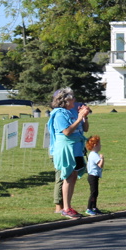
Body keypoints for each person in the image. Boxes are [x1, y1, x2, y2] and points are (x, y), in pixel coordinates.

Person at [48, 88, 90, 218]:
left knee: (74, 176)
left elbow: (85, 129)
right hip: (66, 148)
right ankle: (65, 208)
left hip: (76, 148)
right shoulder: (59, 114)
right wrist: (79, 118)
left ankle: (69, 206)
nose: (75, 100)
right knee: (67, 176)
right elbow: (66, 132)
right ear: (65, 101)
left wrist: (84, 117)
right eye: (72, 98)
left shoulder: (72, 111)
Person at [84, 135, 105, 216]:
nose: (100, 146)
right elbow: (100, 165)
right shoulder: (94, 155)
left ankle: (94, 207)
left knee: (95, 192)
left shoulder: (92, 154)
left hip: (93, 176)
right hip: (93, 176)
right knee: (94, 192)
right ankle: (89, 208)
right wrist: (102, 158)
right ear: (95, 145)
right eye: (99, 144)